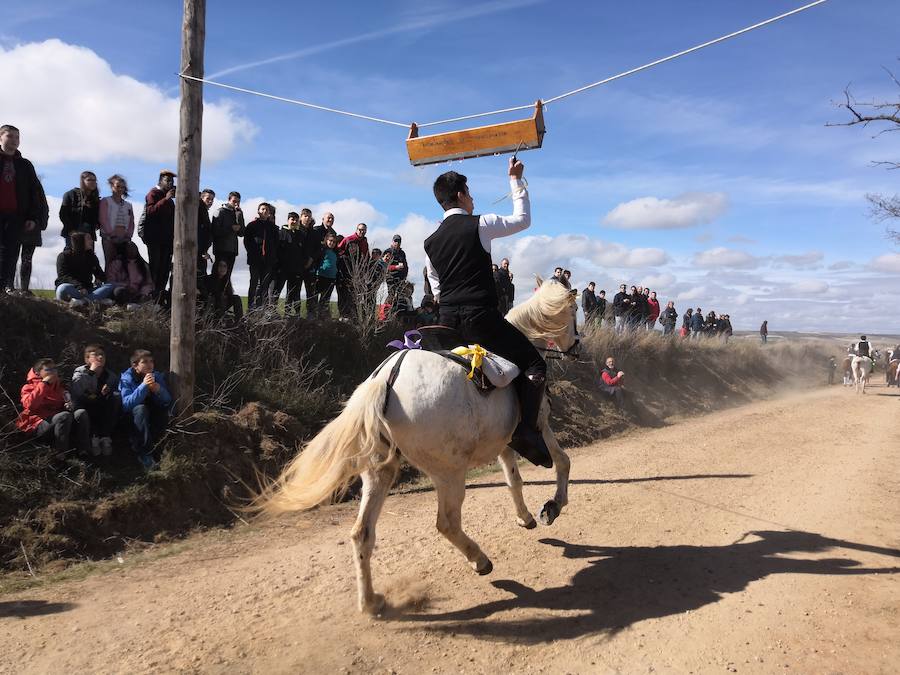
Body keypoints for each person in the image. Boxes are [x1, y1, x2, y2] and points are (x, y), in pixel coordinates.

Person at [425, 158, 552, 468]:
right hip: (480, 320)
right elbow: (522, 220)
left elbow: (437, 288)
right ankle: (526, 433)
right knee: (535, 363)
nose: (472, 198)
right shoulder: (480, 224)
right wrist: (515, 180)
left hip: (446, 325)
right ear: (459, 195)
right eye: (468, 192)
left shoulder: (430, 242)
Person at [16, 357, 91, 457]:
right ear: (38, 373)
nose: (53, 372)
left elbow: (67, 405)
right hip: (37, 425)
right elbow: (30, 405)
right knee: (63, 416)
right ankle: (61, 453)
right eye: (48, 370)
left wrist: (68, 406)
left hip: (58, 424)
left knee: (80, 413)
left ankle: (83, 450)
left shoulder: (60, 388)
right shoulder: (28, 387)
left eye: (54, 369)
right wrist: (44, 384)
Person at [0, 125, 43, 294]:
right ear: (1, 138)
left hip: (16, 215)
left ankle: (7, 285)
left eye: (17, 137)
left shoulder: (25, 165)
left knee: (11, 251)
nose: (14, 140)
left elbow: (34, 192)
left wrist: (32, 217)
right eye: (10, 136)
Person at [119, 349, 172, 470]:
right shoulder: (126, 378)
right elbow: (126, 404)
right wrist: (143, 386)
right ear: (135, 365)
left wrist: (159, 390)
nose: (149, 365)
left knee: (162, 411)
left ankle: (159, 449)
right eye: (145, 362)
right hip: (131, 417)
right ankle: (144, 453)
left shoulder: (156, 376)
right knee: (140, 409)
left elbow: (167, 400)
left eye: (151, 361)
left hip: (151, 413)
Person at [71, 344, 121, 456]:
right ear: (87, 359)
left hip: (103, 405)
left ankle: (105, 436)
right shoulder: (80, 372)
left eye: (102, 355)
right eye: (95, 355)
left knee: (115, 398)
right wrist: (91, 373)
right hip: (85, 404)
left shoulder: (110, 375)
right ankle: (94, 437)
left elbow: (115, 391)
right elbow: (79, 391)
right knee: (89, 405)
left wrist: (105, 393)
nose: (100, 357)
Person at [142, 170, 177, 300]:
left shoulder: (170, 201)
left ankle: (160, 297)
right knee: (155, 268)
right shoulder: (153, 193)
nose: (170, 184)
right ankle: (151, 297)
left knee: (164, 270)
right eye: (167, 181)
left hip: (167, 240)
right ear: (160, 181)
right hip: (155, 239)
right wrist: (165, 199)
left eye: (172, 182)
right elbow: (151, 211)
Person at [55, 232, 116, 306]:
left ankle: (83, 302)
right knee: (63, 288)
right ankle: (95, 300)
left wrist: (98, 276)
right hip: (73, 289)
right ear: (81, 241)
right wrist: (79, 287)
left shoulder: (91, 256)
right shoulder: (64, 256)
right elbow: (63, 276)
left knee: (110, 285)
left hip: (88, 290)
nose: (91, 241)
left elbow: (102, 276)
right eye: (88, 239)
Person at [244, 202, 279, 310]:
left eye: (267, 210)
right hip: (255, 259)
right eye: (262, 209)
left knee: (264, 285)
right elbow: (247, 241)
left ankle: (260, 308)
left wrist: (271, 256)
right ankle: (250, 307)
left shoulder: (273, 228)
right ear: (258, 211)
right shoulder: (252, 225)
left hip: (268, 260)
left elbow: (276, 244)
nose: (265, 211)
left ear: (269, 213)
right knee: (254, 283)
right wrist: (252, 253)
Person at [18, 176, 48, 295]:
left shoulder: (34, 185)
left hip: (31, 226)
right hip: (12, 225)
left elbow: (43, 205)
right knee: (10, 258)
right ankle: (9, 286)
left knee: (26, 259)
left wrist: (40, 223)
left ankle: (24, 288)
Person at [97, 174, 135, 268]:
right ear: (112, 186)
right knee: (110, 262)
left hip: (124, 237)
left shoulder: (128, 205)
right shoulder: (105, 201)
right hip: (108, 237)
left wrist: (129, 235)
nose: (120, 189)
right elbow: (103, 219)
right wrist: (111, 233)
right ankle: (109, 282)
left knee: (124, 263)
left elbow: (131, 222)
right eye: (117, 186)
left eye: (122, 187)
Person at [274, 211, 308, 315]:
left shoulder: (301, 235)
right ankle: (272, 312)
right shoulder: (280, 233)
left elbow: (303, 252)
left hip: (296, 269)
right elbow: (277, 250)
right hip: (282, 267)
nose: (294, 221)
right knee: (277, 291)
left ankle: (290, 314)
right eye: (292, 219)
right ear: (288, 220)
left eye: (296, 220)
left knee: (293, 293)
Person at [336, 222, 369, 319]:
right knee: (343, 294)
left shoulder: (365, 243)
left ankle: (352, 316)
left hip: (357, 274)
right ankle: (342, 316)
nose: (362, 232)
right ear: (356, 230)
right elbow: (338, 250)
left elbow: (366, 257)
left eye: (364, 230)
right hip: (345, 272)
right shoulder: (348, 239)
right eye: (360, 229)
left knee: (354, 296)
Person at [106, 241, 154, 307]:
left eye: (134, 248)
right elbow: (110, 282)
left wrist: (143, 293)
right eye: (129, 248)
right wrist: (126, 286)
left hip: (139, 293)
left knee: (157, 293)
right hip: (122, 290)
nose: (132, 250)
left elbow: (148, 283)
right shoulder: (116, 263)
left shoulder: (143, 265)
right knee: (121, 293)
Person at [59, 170, 101, 243]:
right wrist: (71, 230)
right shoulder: (71, 194)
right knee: (72, 252)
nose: (92, 182)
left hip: (89, 232)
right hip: (74, 230)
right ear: (82, 181)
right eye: (89, 180)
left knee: (89, 253)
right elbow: (63, 214)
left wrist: (97, 224)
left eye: (94, 180)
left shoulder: (95, 199)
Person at [211, 190, 244, 278]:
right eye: (234, 201)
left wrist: (240, 215)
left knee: (227, 275)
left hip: (232, 250)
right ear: (229, 200)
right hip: (221, 249)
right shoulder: (220, 212)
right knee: (217, 273)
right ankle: (214, 291)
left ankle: (225, 291)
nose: (236, 204)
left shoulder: (237, 213)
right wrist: (230, 228)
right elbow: (215, 231)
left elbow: (241, 233)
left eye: (238, 202)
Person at [314, 232, 339, 318]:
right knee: (315, 296)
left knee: (326, 298)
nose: (332, 243)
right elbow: (316, 261)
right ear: (326, 240)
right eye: (330, 241)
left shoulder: (335, 253)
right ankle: (314, 315)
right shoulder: (322, 250)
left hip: (331, 278)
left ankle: (322, 316)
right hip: (321, 276)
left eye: (334, 242)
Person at [197, 188, 215, 283]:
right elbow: (201, 232)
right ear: (201, 198)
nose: (210, 201)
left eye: (212, 199)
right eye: (208, 198)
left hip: (201, 250)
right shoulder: (199, 209)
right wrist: (202, 251)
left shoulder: (204, 211)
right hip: (197, 250)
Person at [385, 234, 408, 303]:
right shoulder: (388, 252)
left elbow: (406, 266)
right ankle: (387, 312)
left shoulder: (402, 253)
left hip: (400, 279)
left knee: (400, 297)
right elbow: (385, 266)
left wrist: (405, 276)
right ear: (392, 241)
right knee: (391, 296)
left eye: (398, 241)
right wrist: (395, 267)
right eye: (395, 241)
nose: (397, 243)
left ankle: (397, 313)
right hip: (391, 277)